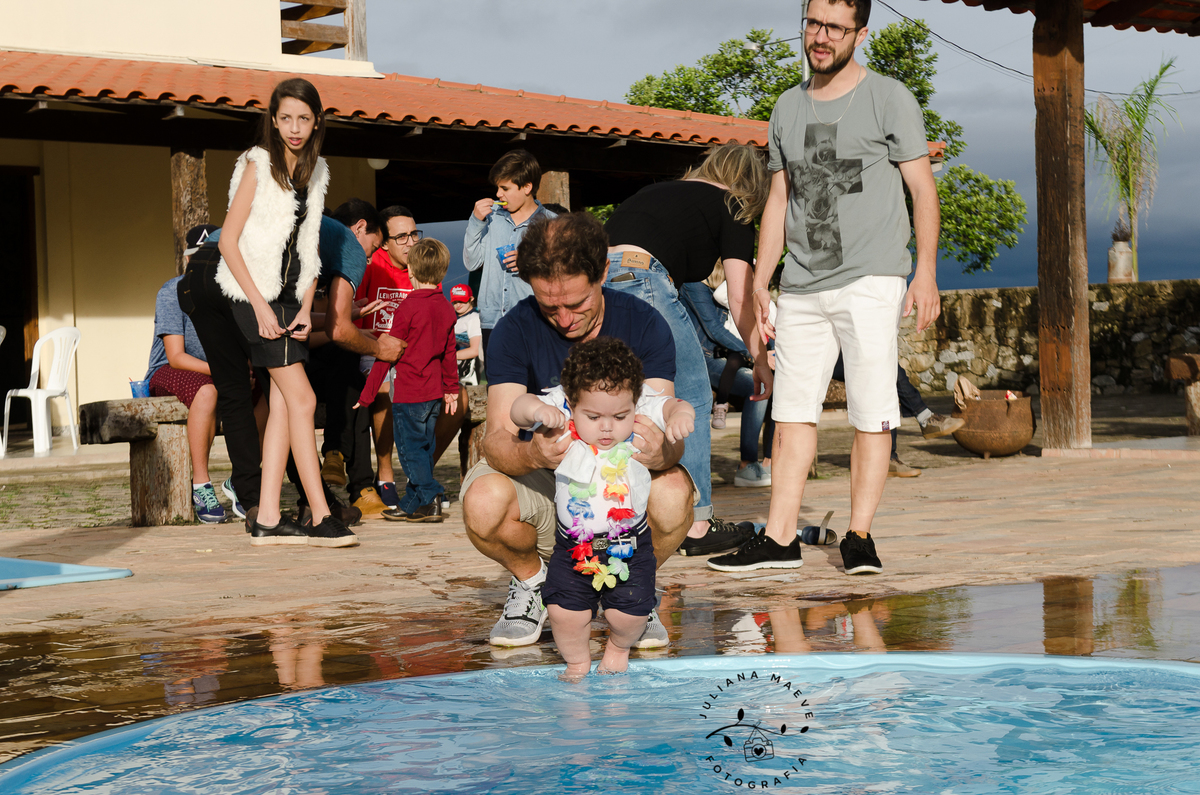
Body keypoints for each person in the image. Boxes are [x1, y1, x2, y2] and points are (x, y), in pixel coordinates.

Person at [711, 0, 942, 575]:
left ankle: (859, 537)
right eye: (813, 23)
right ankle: (780, 538)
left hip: (871, 277)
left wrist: (926, 272)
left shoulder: (889, 97)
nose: (821, 36)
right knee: (791, 412)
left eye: (835, 27)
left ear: (860, 34)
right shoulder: (787, 107)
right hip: (802, 285)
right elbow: (779, 199)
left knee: (871, 409)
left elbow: (922, 189)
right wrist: (762, 277)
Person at [460, 212, 694, 649]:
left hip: (620, 492)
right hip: (547, 481)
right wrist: (532, 454)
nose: (564, 320)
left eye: (577, 304)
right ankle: (533, 582)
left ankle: (633, 584)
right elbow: (496, 439)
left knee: (675, 492)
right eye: (549, 307)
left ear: (602, 273)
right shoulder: (514, 329)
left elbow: (665, 436)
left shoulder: (645, 324)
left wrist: (661, 451)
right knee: (482, 500)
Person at [604, 141, 769, 557]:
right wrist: (761, 358)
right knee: (692, 393)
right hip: (641, 277)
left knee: (619, 397)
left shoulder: (660, 192)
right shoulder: (731, 203)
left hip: (597, 281)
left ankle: (621, 515)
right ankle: (695, 524)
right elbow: (740, 297)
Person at [213, 77, 356, 549]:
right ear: (274, 121)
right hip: (250, 294)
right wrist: (259, 306)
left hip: (292, 298)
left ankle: (269, 517)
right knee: (303, 400)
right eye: (286, 118)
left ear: (317, 122)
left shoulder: (316, 171)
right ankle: (319, 514)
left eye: (304, 118)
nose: (295, 128)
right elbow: (228, 241)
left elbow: (309, 246)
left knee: (280, 402)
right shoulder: (258, 164)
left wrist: (307, 304)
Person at [510, 337, 695, 678]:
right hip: (574, 545)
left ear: (634, 403)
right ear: (571, 404)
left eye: (620, 416)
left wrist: (681, 415)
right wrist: (536, 411)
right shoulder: (561, 408)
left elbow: (673, 404)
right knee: (564, 613)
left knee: (629, 614)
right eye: (593, 416)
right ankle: (577, 661)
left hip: (629, 544)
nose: (607, 427)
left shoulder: (639, 402)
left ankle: (618, 648)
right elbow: (518, 408)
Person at [358, 239, 459, 522]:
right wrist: (451, 388)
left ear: (411, 270)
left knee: (410, 452)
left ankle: (431, 494)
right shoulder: (446, 307)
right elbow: (450, 353)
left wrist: (367, 394)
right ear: (443, 272)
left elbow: (387, 353)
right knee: (424, 449)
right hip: (434, 394)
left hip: (409, 394)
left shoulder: (407, 308)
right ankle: (412, 504)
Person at [146, 223, 226, 523]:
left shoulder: (231, 291)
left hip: (217, 370)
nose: (209, 264)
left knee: (266, 391)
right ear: (189, 259)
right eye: (202, 257)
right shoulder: (172, 291)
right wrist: (224, 371)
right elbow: (176, 357)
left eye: (215, 257)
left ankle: (244, 480)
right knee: (207, 392)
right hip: (169, 371)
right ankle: (201, 485)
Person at [678, 265, 776, 491]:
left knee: (775, 384)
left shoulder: (719, 288)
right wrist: (757, 355)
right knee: (757, 386)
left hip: (726, 356)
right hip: (705, 359)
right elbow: (714, 329)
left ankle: (769, 462)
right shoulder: (694, 286)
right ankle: (747, 465)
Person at [351, 205, 418, 508]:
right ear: (385, 243)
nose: (410, 242)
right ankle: (386, 473)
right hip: (374, 352)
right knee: (388, 388)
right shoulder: (370, 265)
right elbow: (353, 320)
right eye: (401, 237)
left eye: (414, 234)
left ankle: (420, 474)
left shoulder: (423, 267)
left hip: (412, 357)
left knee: (460, 399)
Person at [463, 149, 557, 353]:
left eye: (505, 188)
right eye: (498, 187)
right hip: (492, 323)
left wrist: (531, 262)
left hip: (535, 321)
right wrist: (475, 221)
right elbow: (472, 263)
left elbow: (564, 276)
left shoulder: (553, 224)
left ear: (527, 187)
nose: (498, 194)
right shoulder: (490, 217)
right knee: (496, 376)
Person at [828, 355, 965, 477]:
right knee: (883, 365)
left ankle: (888, 457)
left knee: (885, 366)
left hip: (849, 354)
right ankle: (923, 417)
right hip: (828, 357)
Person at [450, 284, 483, 386]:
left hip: (465, 373)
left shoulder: (474, 318)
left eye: (462, 301)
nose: (458, 305)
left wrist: (447, 356)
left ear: (471, 299)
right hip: (452, 368)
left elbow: (475, 350)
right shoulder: (452, 317)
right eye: (455, 302)